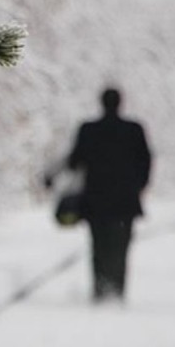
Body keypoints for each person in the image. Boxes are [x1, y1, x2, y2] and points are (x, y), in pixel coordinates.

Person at [59, 87, 152, 303]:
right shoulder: (133, 130)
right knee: (121, 246)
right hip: (125, 201)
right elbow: (145, 161)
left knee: (99, 245)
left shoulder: (89, 130)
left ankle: (100, 289)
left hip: (96, 200)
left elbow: (74, 161)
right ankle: (117, 289)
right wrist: (138, 186)